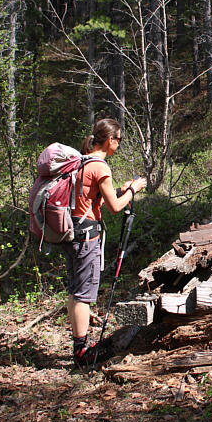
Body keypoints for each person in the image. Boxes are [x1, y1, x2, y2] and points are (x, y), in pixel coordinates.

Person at [66, 118, 147, 368]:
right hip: (86, 237)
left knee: (75, 291)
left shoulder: (83, 161)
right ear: (110, 140)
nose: (119, 144)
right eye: (119, 139)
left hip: (72, 233)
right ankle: (82, 353)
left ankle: (79, 344)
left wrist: (122, 191)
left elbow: (95, 199)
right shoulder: (100, 167)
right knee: (83, 294)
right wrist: (133, 190)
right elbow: (114, 208)